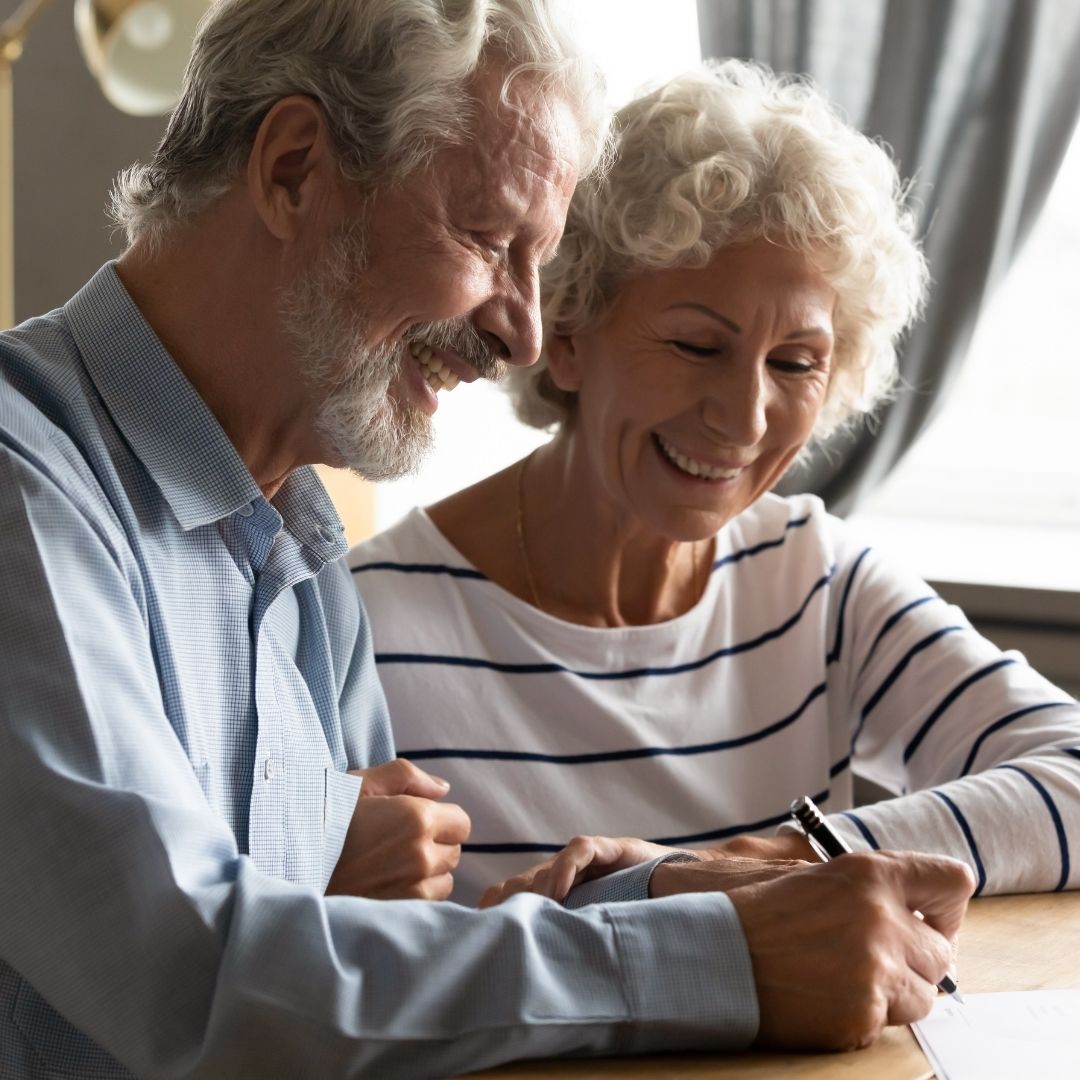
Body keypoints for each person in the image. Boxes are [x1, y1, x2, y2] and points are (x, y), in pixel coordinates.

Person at [0, 3, 975, 1073]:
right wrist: (720, 955)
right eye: (490, 242)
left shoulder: (290, 530)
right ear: (290, 170)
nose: (520, 330)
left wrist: (664, 888)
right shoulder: (26, 489)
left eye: (540, 263)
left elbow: (360, 957)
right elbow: (198, 978)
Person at [350, 60, 1080, 912]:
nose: (744, 419)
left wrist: (782, 856)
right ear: (571, 334)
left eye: (796, 363)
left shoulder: (815, 581)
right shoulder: (368, 624)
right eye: (699, 346)